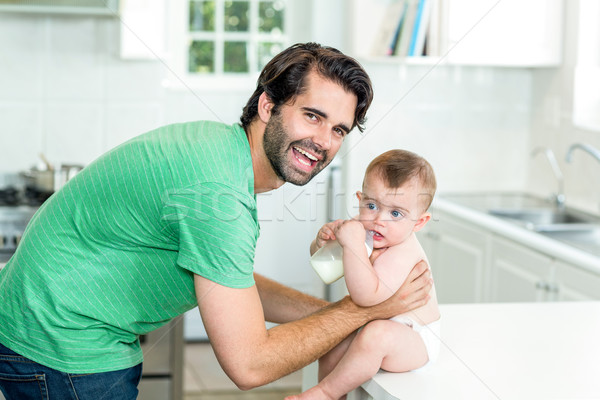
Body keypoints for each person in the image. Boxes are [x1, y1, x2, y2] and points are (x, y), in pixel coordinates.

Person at [0, 43, 432, 400]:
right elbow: (248, 364)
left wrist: (332, 316)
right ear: (268, 105)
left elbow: (231, 284)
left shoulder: (220, 152)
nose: (323, 141)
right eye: (312, 116)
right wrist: (364, 309)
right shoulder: (218, 191)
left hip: (46, 331)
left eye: (339, 130)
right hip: (61, 348)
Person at [289, 149, 440, 400]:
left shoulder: (403, 252)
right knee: (333, 341)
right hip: (372, 322)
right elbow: (330, 264)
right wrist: (324, 243)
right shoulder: (366, 227)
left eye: (395, 213)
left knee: (376, 336)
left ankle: (326, 393)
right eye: (371, 205)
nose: (379, 219)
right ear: (360, 199)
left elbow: (365, 296)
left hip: (414, 338)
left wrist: (353, 246)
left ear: (419, 223)